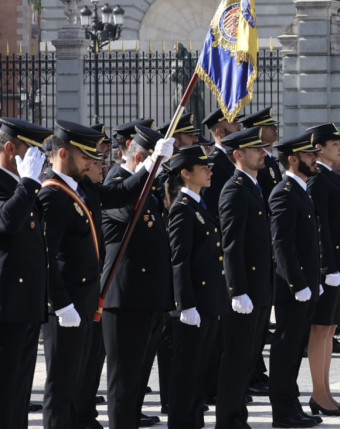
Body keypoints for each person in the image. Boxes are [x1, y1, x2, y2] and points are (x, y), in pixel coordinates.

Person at [40, 121, 158, 429]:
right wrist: (60, 303)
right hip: (66, 303)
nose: (94, 163)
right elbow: (46, 257)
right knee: (60, 385)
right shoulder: (52, 194)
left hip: (87, 300)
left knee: (77, 380)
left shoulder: (84, 188)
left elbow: (119, 195)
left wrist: (148, 166)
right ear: (64, 153)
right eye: (87, 158)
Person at [100, 125, 176, 429]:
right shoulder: (116, 181)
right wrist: (147, 171)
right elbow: (125, 208)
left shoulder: (151, 187)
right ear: (144, 158)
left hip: (150, 296)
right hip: (126, 296)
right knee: (123, 381)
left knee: (138, 378)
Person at [214, 126, 274, 429]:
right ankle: (228, 419)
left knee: (247, 358)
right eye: (256, 149)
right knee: (236, 358)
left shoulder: (252, 186)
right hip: (245, 290)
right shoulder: (234, 190)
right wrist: (237, 290)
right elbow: (231, 244)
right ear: (238, 154)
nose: (263, 153)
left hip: (258, 288)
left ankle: (238, 416)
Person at [265, 133, 324, 427]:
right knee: (286, 349)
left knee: (295, 349)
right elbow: (282, 245)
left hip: (306, 284)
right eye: (309, 155)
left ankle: (292, 405)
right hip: (293, 290)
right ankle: (282, 411)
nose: (315, 159)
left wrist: (315, 279)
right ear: (292, 159)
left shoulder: (301, 190)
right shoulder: (284, 192)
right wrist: (297, 283)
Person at [164, 146, 224, 429]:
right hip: (193, 304)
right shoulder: (182, 209)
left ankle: (193, 421)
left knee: (199, 369)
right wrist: (185, 304)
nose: (209, 172)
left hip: (207, 301)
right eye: (203, 169)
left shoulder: (198, 205)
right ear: (186, 174)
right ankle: (181, 422)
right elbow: (179, 260)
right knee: (186, 370)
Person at [0, 118, 51, 429]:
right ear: (9, 148)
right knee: (5, 391)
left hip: (26, 305)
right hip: (6, 306)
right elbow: (7, 222)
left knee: (18, 392)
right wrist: (28, 183)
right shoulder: (18, 185)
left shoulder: (20, 185)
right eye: (32, 150)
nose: (38, 159)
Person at [305, 123, 340, 417]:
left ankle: (325, 392)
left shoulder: (330, 177)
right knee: (321, 329)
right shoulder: (317, 180)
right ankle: (319, 393)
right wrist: (328, 267)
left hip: (339, 265)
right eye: (334, 144)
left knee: (330, 329)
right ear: (319, 148)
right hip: (329, 267)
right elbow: (319, 228)